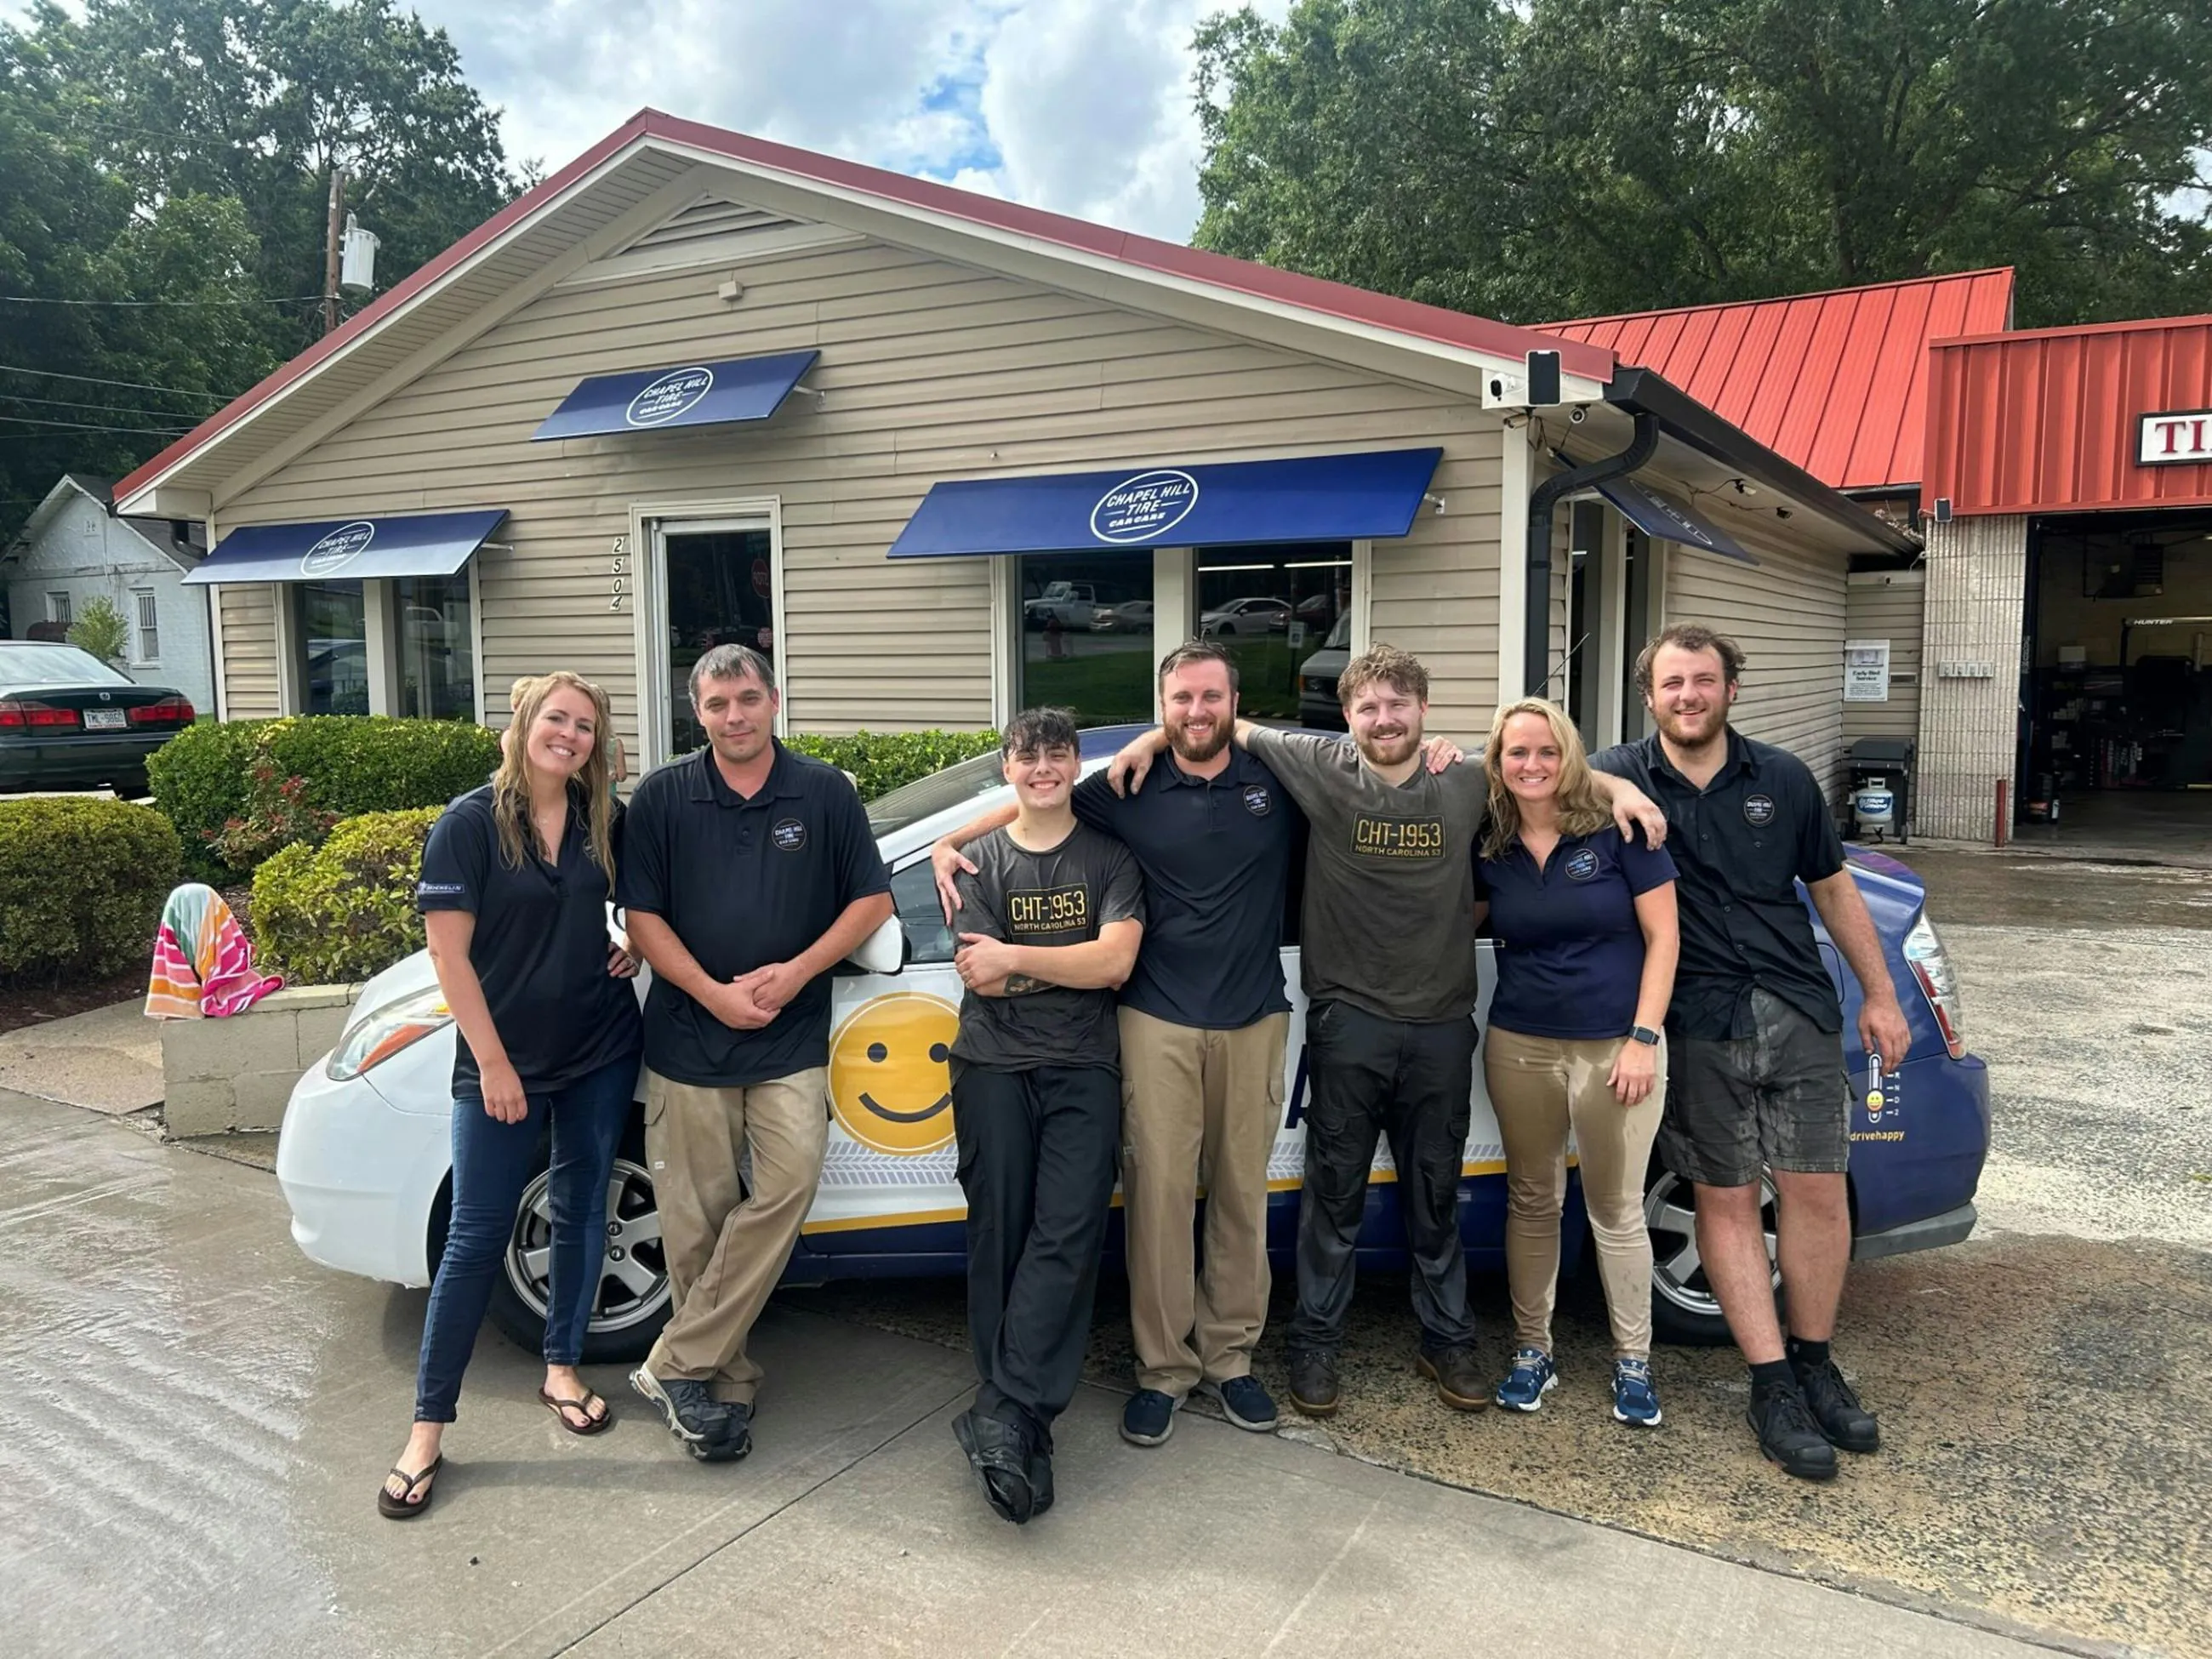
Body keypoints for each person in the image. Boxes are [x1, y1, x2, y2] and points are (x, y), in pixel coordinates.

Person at [1112, 646, 1665, 1419]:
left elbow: (1552, 770)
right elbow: (1221, 725)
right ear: (1347, 717)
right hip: (1348, 1018)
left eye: (1398, 705)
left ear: (1424, 710)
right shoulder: (1319, 764)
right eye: (1368, 707)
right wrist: (1145, 739)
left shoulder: (1465, 776)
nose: (1384, 720)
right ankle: (1314, 1343)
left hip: (1442, 1020)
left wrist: (1625, 792)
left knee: (1434, 1196)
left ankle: (1447, 1339)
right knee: (1332, 1196)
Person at [932, 641, 1298, 1450]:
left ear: (1236, 703)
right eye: (1181, 701)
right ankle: (1163, 1372)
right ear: (1162, 707)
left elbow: (1372, 767)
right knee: (1161, 1201)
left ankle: (1231, 1360)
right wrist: (949, 840)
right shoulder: (1127, 787)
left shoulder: (1277, 778)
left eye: (1212, 697)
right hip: (1156, 1018)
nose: (1197, 712)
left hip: (1255, 1016)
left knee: (1241, 1196)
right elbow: (1037, 798)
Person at [1592, 624, 1912, 1481]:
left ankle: (1815, 1364)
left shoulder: (1781, 779)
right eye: (1670, 684)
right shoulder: (1619, 774)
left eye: (1702, 681)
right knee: (1724, 1200)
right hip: (1694, 1018)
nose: (1686, 696)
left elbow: (1833, 887)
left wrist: (1878, 994)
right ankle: (1768, 1385)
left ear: (1730, 690)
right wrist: (1596, 781)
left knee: (1812, 1191)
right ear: (1647, 696)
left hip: (1795, 1007)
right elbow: (1525, 774)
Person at [617, 644, 893, 1462]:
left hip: (789, 1037)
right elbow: (642, 916)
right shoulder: (663, 798)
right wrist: (712, 992)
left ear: (774, 700)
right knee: (694, 1223)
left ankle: (674, 1361)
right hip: (687, 1038)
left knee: (787, 1184)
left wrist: (798, 970)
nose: (733, 717)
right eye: (715, 705)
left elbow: (872, 897)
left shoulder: (822, 792)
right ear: (696, 714)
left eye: (746, 699)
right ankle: (716, 1389)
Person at [379, 670, 642, 1519]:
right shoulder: (468, 826)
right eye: (557, 719)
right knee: (474, 1238)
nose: (569, 735)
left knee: (581, 1209)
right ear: (526, 723)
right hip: (502, 1062)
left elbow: (641, 905)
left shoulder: (605, 817)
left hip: (599, 1046)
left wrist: (631, 945)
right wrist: (492, 1065)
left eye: (585, 726)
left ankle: (560, 1368)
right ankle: (427, 1427)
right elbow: (450, 960)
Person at [946, 707, 1144, 1523]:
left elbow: (1116, 962)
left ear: (1073, 766)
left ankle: (1007, 1411)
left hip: (1082, 1069)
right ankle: (1018, 1414)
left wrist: (1022, 958)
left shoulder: (1111, 855)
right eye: (1026, 758)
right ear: (1007, 769)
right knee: (1002, 1227)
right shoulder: (975, 862)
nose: (1042, 770)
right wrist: (1071, 966)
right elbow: (979, 979)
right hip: (991, 1066)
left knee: (1066, 1231)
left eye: (1056, 756)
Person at [1474, 698, 1679, 1427]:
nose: (1531, 765)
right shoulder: (1490, 843)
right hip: (1520, 1044)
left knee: (1616, 1211)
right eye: (1515, 753)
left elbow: (1664, 939)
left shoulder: (1621, 832)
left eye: (1545, 751)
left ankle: (1633, 1362)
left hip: (1613, 1047)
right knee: (1532, 1199)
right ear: (1497, 763)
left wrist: (1644, 1038)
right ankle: (1534, 1350)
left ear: (1569, 756)